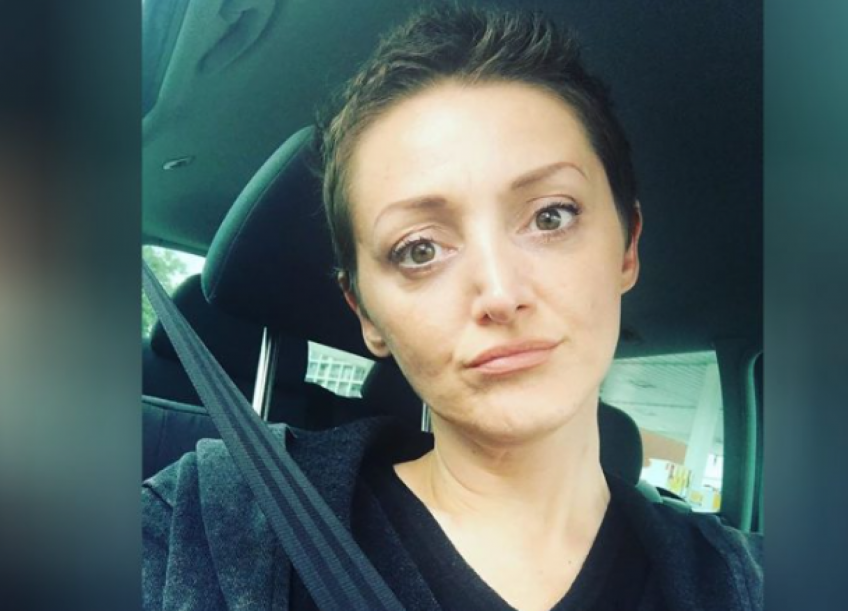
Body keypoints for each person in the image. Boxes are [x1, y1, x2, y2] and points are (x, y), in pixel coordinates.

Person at [143, 5, 762, 611]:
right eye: (419, 250)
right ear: (365, 313)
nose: (500, 293)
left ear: (626, 247)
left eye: (551, 216)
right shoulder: (209, 526)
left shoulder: (744, 581)